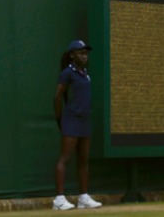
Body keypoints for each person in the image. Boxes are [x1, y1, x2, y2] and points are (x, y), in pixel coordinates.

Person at [53, 40, 102, 210]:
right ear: (72, 55)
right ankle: (59, 200)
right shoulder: (67, 73)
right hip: (71, 119)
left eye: (86, 53)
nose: (84, 56)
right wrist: (60, 119)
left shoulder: (85, 73)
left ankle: (83, 197)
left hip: (84, 121)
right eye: (80, 53)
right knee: (64, 158)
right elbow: (58, 97)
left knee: (83, 161)